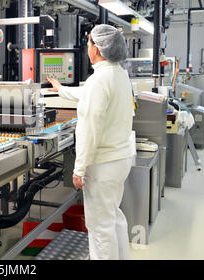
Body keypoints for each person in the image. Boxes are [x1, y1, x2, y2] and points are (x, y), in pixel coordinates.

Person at [47, 24, 136, 260]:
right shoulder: (118, 74)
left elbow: (90, 129)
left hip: (103, 164)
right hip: (120, 158)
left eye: (88, 44)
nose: (87, 48)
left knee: (99, 227)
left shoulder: (99, 80)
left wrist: (79, 168)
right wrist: (60, 89)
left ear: (96, 49)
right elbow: (88, 95)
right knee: (113, 216)